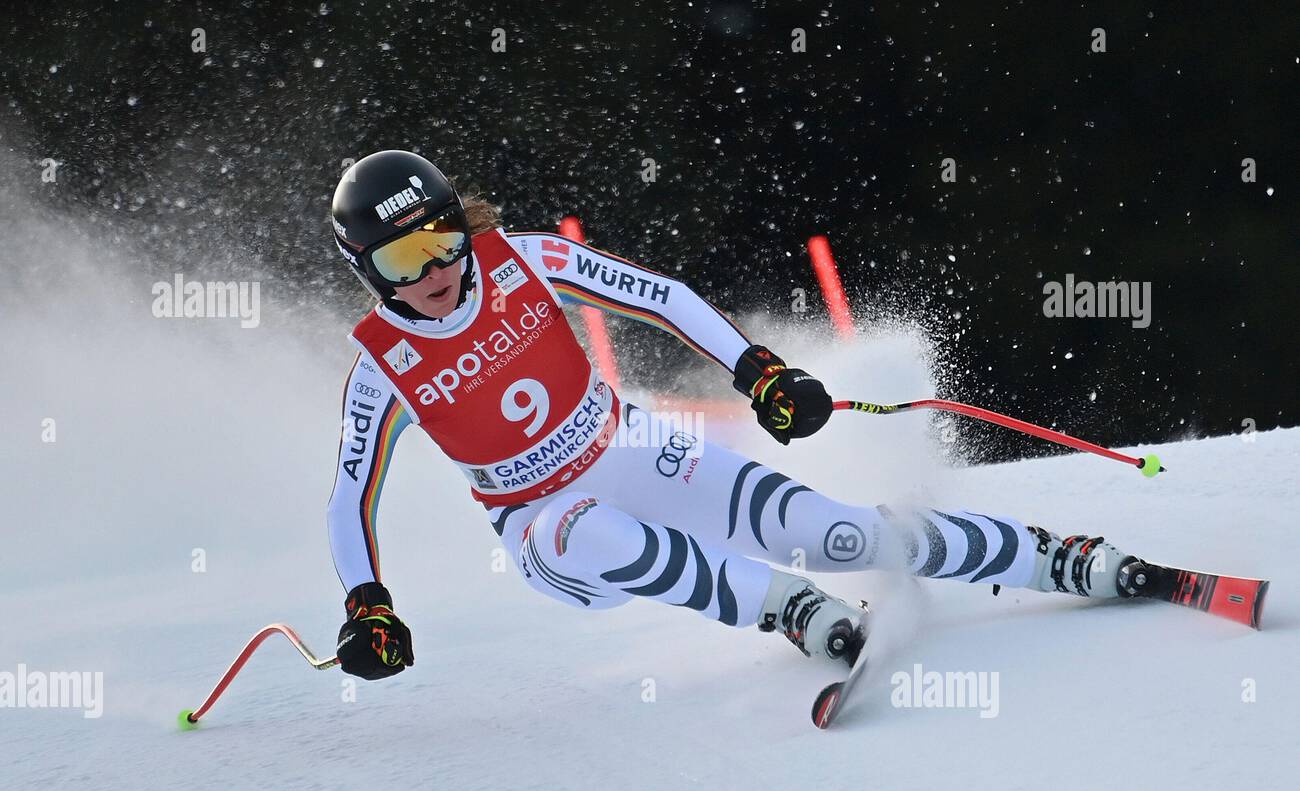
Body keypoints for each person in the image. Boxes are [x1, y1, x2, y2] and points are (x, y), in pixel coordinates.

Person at [326, 150, 1143, 681]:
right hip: (543, 524)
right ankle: (788, 608)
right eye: (402, 258)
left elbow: (662, 298)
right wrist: (370, 603)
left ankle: (1050, 558)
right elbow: (351, 498)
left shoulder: (526, 260)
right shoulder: (380, 366)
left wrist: (761, 373)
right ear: (366, 269)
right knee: (593, 528)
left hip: (632, 447)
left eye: (441, 240)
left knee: (839, 536)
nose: (434, 268)